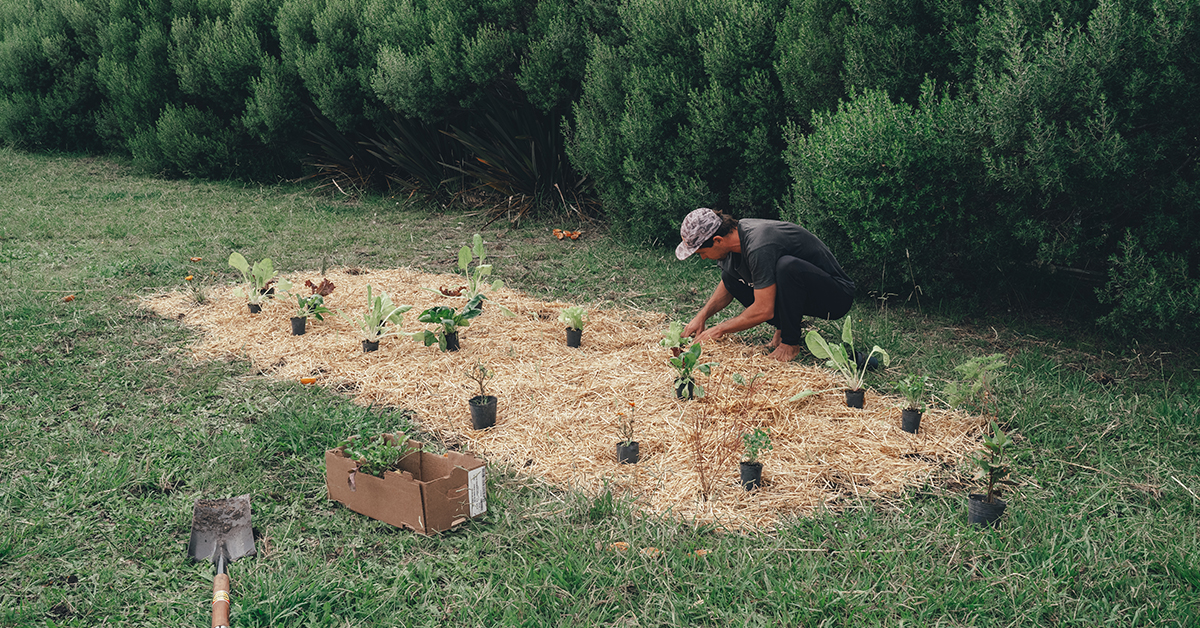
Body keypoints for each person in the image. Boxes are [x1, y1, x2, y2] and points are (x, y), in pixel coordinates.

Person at [676, 208, 855, 362]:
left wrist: (719, 330)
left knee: (787, 267)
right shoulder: (734, 240)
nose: (703, 257)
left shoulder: (758, 244)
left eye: (702, 252)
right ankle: (784, 327)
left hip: (835, 296)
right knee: (730, 277)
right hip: (802, 291)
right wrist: (702, 316)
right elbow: (728, 283)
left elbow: (764, 309)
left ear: (717, 240)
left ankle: (790, 342)